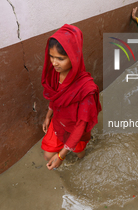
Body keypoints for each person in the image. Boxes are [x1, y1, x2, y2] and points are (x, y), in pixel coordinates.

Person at [41, 24, 101, 171]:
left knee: (79, 153)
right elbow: (55, 97)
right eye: (51, 56)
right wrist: (48, 116)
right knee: (48, 155)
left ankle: (82, 160)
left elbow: (81, 125)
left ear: (74, 57)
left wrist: (61, 156)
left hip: (75, 129)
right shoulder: (55, 74)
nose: (54, 63)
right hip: (59, 122)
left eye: (60, 58)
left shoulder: (86, 89)